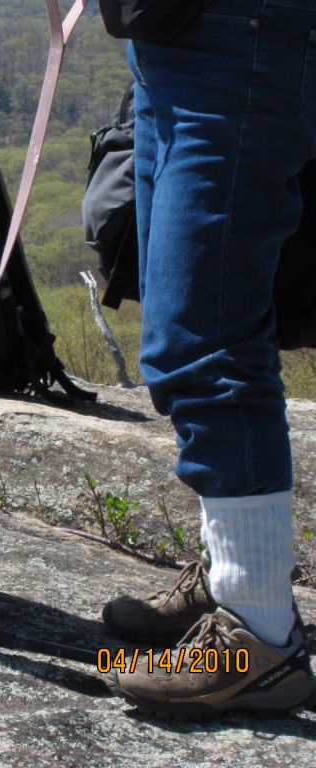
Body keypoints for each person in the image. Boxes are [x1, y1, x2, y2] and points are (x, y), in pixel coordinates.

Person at [100, 0, 316, 718]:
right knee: (178, 325)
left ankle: (258, 635)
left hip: (240, 37)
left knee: (206, 336)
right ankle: (234, 574)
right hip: (170, 42)